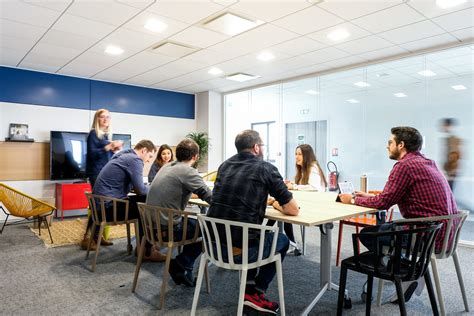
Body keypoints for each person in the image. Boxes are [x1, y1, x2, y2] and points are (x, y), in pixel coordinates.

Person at [339, 126, 459, 303]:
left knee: (367, 235)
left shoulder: (404, 166)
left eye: (390, 142)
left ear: (401, 145)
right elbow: (392, 196)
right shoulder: (427, 162)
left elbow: (383, 204)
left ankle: (406, 272)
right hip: (446, 233)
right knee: (383, 231)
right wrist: (371, 196)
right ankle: (404, 266)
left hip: (426, 237)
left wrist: (351, 200)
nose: (387, 146)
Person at [207, 129, 299, 315]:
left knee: (254, 233)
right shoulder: (265, 168)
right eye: (262, 145)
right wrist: (276, 204)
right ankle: (256, 291)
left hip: (213, 246)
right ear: (256, 147)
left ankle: (248, 288)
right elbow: (293, 209)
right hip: (241, 249)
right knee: (280, 240)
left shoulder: (224, 166)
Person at [147, 138, 212, 286]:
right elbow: (211, 198)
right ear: (195, 157)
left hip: (151, 227)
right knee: (210, 228)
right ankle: (181, 264)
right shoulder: (188, 171)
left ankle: (184, 269)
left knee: (197, 225)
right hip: (168, 229)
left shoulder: (167, 166)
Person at [91, 139, 164, 262]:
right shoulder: (135, 160)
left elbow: (135, 187)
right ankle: (146, 250)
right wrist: (156, 187)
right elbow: (141, 189)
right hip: (109, 208)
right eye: (149, 156)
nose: (148, 161)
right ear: (144, 150)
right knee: (145, 207)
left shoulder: (122, 155)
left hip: (100, 208)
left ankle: (145, 246)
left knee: (142, 201)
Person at [268, 144, 327, 255]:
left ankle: (265, 235)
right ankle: (291, 243)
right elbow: (305, 187)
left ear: (307, 156)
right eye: (296, 154)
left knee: (283, 208)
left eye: (300, 154)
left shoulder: (312, 167)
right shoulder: (304, 169)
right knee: (283, 208)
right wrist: (292, 184)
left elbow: (314, 188)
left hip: (316, 206)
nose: (296, 156)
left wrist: (294, 186)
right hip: (307, 203)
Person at [81, 109, 123, 249]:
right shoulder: (94, 134)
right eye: (102, 117)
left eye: (108, 117)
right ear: (97, 119)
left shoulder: (105, 136)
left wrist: (114, 149)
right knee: (99, 207)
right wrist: (108, 147)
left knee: (102, 207)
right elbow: (92, 155)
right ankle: (88, 239)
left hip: (105, 175)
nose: (105, 119)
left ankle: (97, 237)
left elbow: (107, 156)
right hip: (96, 175)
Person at [440, 118, 461, 190]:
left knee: (449, 190)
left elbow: (454, 155)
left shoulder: (452, 138)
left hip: (450, 170)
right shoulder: (448, 138)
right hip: (449, 170)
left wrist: (449, 170)